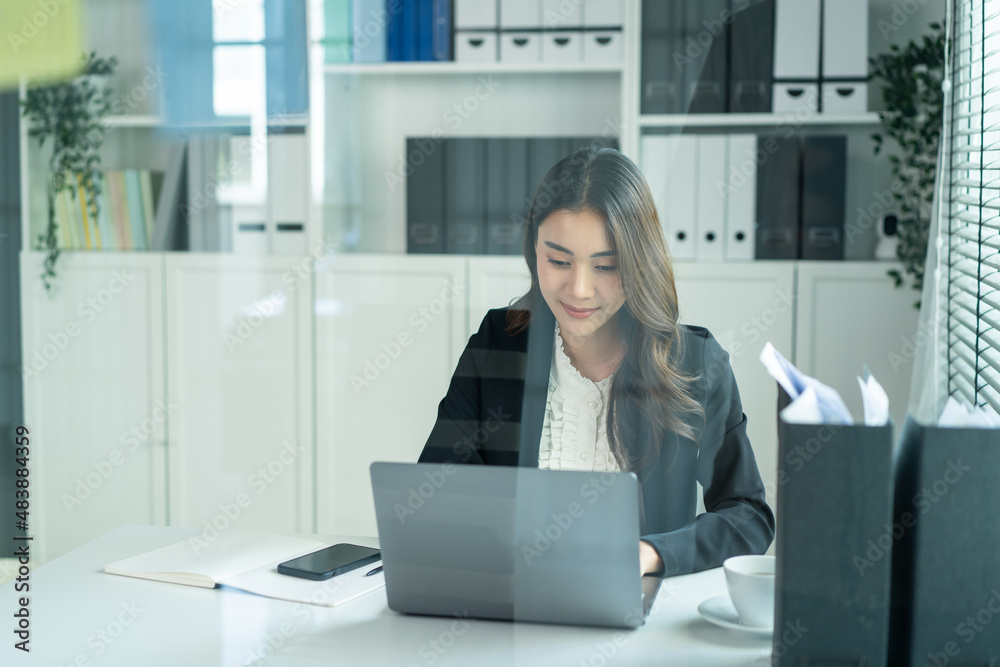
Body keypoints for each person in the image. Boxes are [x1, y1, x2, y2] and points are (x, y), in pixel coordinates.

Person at [418, 146, 774, 577]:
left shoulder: (694, 364)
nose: (579, 289)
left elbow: (748, 515)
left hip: (640, 616)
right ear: (534, 252)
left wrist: (652, 554)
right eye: (558, 261)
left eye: (607, 266)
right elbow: (437, 492)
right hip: (509, 607)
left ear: (640, 263)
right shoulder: (499, 342)